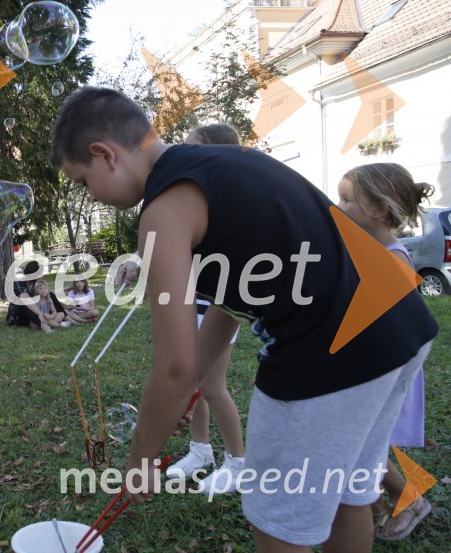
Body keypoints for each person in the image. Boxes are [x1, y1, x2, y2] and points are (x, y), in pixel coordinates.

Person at [50, 86, 437, 553]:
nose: (90, 195)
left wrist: (139, 458)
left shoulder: (165, 207)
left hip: (334, 351)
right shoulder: (226, 166)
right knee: (345, 494)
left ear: (104, 154)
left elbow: (171, 366)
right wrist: (193, 388)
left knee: (276, 518)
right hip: (402, 326)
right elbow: (226, 307)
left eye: (82, 181)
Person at [118, 122, 247, 494]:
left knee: (210, 383)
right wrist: (138, 260)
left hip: (220, 299)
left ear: (216, 154)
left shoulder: (225, 197)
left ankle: (238, 462)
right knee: (193, 378)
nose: (182, 155)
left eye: (192, 149)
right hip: (191, 295)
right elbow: (167, 236)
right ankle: (200, 450)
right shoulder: (191, 191)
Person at [336, 163, 434, 542]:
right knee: (360, 445)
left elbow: (389, 329)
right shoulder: (366, 250)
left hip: (383, 372)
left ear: (378, 209)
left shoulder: (393, 258)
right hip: (363, 369)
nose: (337, 205)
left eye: (347, 199)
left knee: (362, 445)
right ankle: (380, 503)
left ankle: (409, 498)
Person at [7, 260, 69, 332]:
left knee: (50, 294)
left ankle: (56, 320)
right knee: (27, 305)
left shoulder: (35, 284)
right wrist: (40, 314)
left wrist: (64, 290)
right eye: (40, 274)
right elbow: (27, 300)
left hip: (35, 316)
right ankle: (45, 326)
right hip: (19, 315)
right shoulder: (20, 283)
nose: (42, 276)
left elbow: (47, 293)